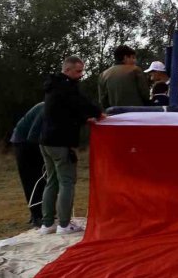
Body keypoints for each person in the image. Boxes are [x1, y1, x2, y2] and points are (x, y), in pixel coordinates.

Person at [40, 56, 104, 235]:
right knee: (66, 182)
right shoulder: (66, 87)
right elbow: (80, 103)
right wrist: (98, 114)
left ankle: (47, 224)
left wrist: (84, 119)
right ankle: (64, 224)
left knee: (52, 181)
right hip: (60, 142)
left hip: (46, 140)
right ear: (67, 70)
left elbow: (65, 111)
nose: (81, 75)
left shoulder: (54, 86)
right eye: (78, 71)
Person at [10, 102, 46, 227]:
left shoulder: (50, 107)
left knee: (42, 178)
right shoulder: (45, 108)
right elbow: (33, 134)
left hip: (32, 142)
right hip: (23, 142)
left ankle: (41, 213)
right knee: (31, 179)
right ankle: (36, 215)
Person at [98, 44, 149, 109]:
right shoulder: (135, 70)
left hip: (115, 113)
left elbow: (103, 101)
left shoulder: (103, 75)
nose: (135, 60)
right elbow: (145, 95)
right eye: (133, 57)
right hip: (136, 112)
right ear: (125, 58)